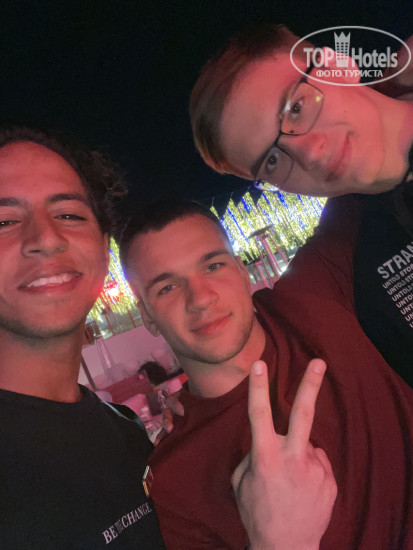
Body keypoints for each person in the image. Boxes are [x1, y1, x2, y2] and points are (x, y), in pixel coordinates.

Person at [119, 200, 413, 550]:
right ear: (147, 316)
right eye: (167, 287)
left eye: (213, 266)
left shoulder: (312, 295)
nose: (200, 298)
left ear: (242, 272)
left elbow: (365, 181)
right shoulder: (173, 478)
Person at [189, 23, 413, 386]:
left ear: (337, 65)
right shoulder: (363, 275)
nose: (308, 153)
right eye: (272, 160)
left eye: (296, 107)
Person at [0, 125, 167, 549]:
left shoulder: (127, 434)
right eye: (4, 221)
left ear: (104, 251)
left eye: (69, 215)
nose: (46, 238)